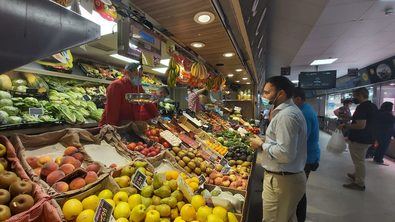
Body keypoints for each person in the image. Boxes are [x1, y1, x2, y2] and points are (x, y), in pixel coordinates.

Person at [250, 76, 307, 222]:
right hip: (286, 179)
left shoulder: (286, 116)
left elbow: (285, 154)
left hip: (282, 181)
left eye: (267, 93)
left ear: (281, 94)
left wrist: (262, 145)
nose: (263, 96)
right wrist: (266, 140)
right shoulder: (287, 112)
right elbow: (283, 143)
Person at [338, 87, 378, 191]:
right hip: (369, 138)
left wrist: (346, 126)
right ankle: (357, 175)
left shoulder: (362, 107)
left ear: (360, 95)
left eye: (355, 96)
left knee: (359, 161)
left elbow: (360, 125)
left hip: (360, 139)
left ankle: (359, 183)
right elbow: (366, 120)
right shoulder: (372, 106)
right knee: (360, 159)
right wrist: (351, 119)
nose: (354, 98)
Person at [293, 87, 320, 222]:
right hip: (307, 156)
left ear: (298, 99)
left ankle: (299, 218)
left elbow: (301, 139)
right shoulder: (304, 109)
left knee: (299, 190)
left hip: (306, 158)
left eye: (291, 100)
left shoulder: (304, 113)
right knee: (299, 189)